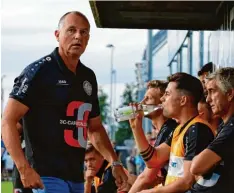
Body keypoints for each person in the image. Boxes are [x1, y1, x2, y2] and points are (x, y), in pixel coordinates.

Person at [1, 11, 127, 193]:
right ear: (57, 35)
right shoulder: (39, 71)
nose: (78, 36)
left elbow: (95, 127)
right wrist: (23, 168)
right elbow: (8, 120)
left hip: (76, 175)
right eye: (72, 30)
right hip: (45, 175)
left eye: (84, 32)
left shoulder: (88, 77)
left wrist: (115, 162)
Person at [130, 73, 215, 193]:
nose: (162, 99)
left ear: (183, 100)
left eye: (167, 94)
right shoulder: (180, 129)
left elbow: (187, 181)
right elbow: (153, 160)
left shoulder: (197, 129)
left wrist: (153, 192)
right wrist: (136, 127)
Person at [128, 80, 178, 193]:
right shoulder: (165, 129)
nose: (142, 102)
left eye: (148, 98)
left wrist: (136, 127)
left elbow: (146, 177)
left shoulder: (169, 128)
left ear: (162, 104)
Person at [190, 67, 234, 193]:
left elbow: (196, 167)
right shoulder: (224, 126)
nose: (208, 99)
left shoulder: (232, 129)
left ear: (229, 94)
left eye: (212, 91)